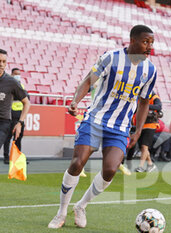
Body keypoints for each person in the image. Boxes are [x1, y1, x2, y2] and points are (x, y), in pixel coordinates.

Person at [48, 25, 157, 229]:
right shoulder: (111, 58)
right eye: (145, 42)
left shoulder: (150, 70)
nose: (149, 46)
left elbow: (144, 102)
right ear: (132, 40)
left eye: (151, 42)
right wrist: (75, 101)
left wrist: (138, 130)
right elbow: (89, 80)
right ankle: (61, 212)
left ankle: (81, 206)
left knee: (110, 169)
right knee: (77, 162)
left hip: (120, 126)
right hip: (95, 119)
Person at [0, 49, 31, 164]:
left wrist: (20, 123)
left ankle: (12, 158)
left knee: (13, 139)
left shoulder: (12, 82)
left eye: (4, 61)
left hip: (3, 122)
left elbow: (27, 103)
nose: (1, 64)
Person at [3, 68, 28, 163]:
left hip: (20, 114)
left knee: (18, 137)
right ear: (12, 74)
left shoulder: (21, 85)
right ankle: (6, 157)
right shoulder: (8, 85)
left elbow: (26, 98)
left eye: (19, 74)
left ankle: (17, 158)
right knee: (7, 137)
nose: (18, 76)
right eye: (16, 74)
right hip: (10, 114)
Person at [134, 91, 161, 172]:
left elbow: (158, 107)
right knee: (143, 148)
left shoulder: (154, 97)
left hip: (151, 124)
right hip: (141, 125)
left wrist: (145, 106)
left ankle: (141, 167)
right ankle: (150, 164)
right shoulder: (139, 98)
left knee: (144, 147)